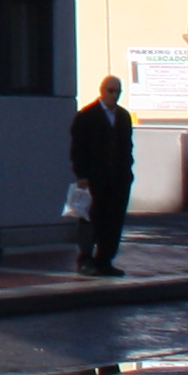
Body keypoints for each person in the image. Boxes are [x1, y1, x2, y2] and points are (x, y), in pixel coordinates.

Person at [67, 75, 135, 276]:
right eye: (110, 91)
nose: (114, 95)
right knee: (90, 220)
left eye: (117, 91)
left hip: (118, 179)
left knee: (113, 221)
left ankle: (105, 260)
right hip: (94, 179)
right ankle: (85, 259)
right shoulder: (86, 116)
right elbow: (78, 149)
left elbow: (127, 147)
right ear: (102, 90)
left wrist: (128, 171)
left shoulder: (123, 116)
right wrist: (82, 175)